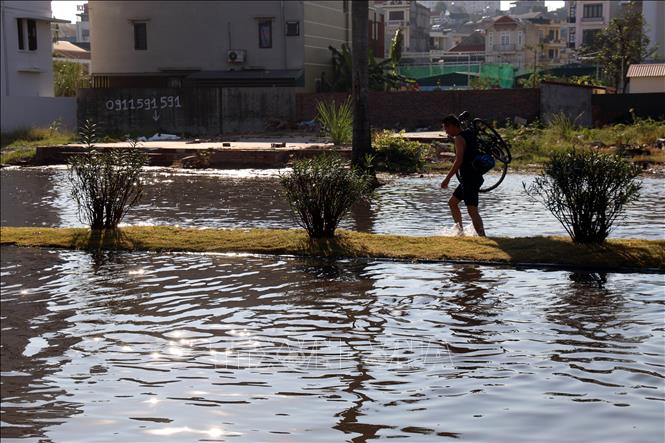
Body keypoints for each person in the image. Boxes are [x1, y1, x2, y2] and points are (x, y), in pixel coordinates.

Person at [440, 114, 486, 236]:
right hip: (472, 177)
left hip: (470, 178)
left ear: (452, 126)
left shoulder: (459, 139)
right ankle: (460, 233)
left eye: (446, 128)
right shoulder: (469, 133)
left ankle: (483, 236)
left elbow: (458, 161)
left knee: (472, 210)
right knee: (452, 203)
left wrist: (447, 179)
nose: (446, 131)